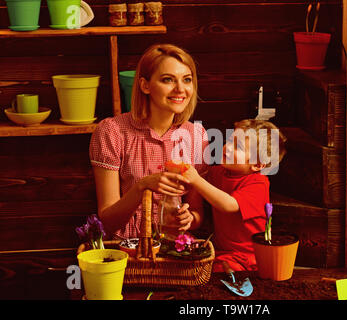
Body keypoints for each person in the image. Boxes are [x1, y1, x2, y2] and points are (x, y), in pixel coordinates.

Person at [89, 44, 209, 240]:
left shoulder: (197, 135)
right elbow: (108, 221)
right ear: (145, 85)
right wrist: (142, 186)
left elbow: (197, 214)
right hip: (128, 251)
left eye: (187, 80)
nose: (180, 89)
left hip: (175, 249)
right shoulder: (112, 131)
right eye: (168, 80)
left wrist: (189, 218)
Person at [183, 119, 287, 272]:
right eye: (230, 140)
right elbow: (199, 179)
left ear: (257, 164)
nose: (228, 148)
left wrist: (196, 180)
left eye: (237, 146)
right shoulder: (220, 172)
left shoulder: (258, 183)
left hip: (247, 256)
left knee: (218, 271)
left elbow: (229, 205)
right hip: (222, 250)